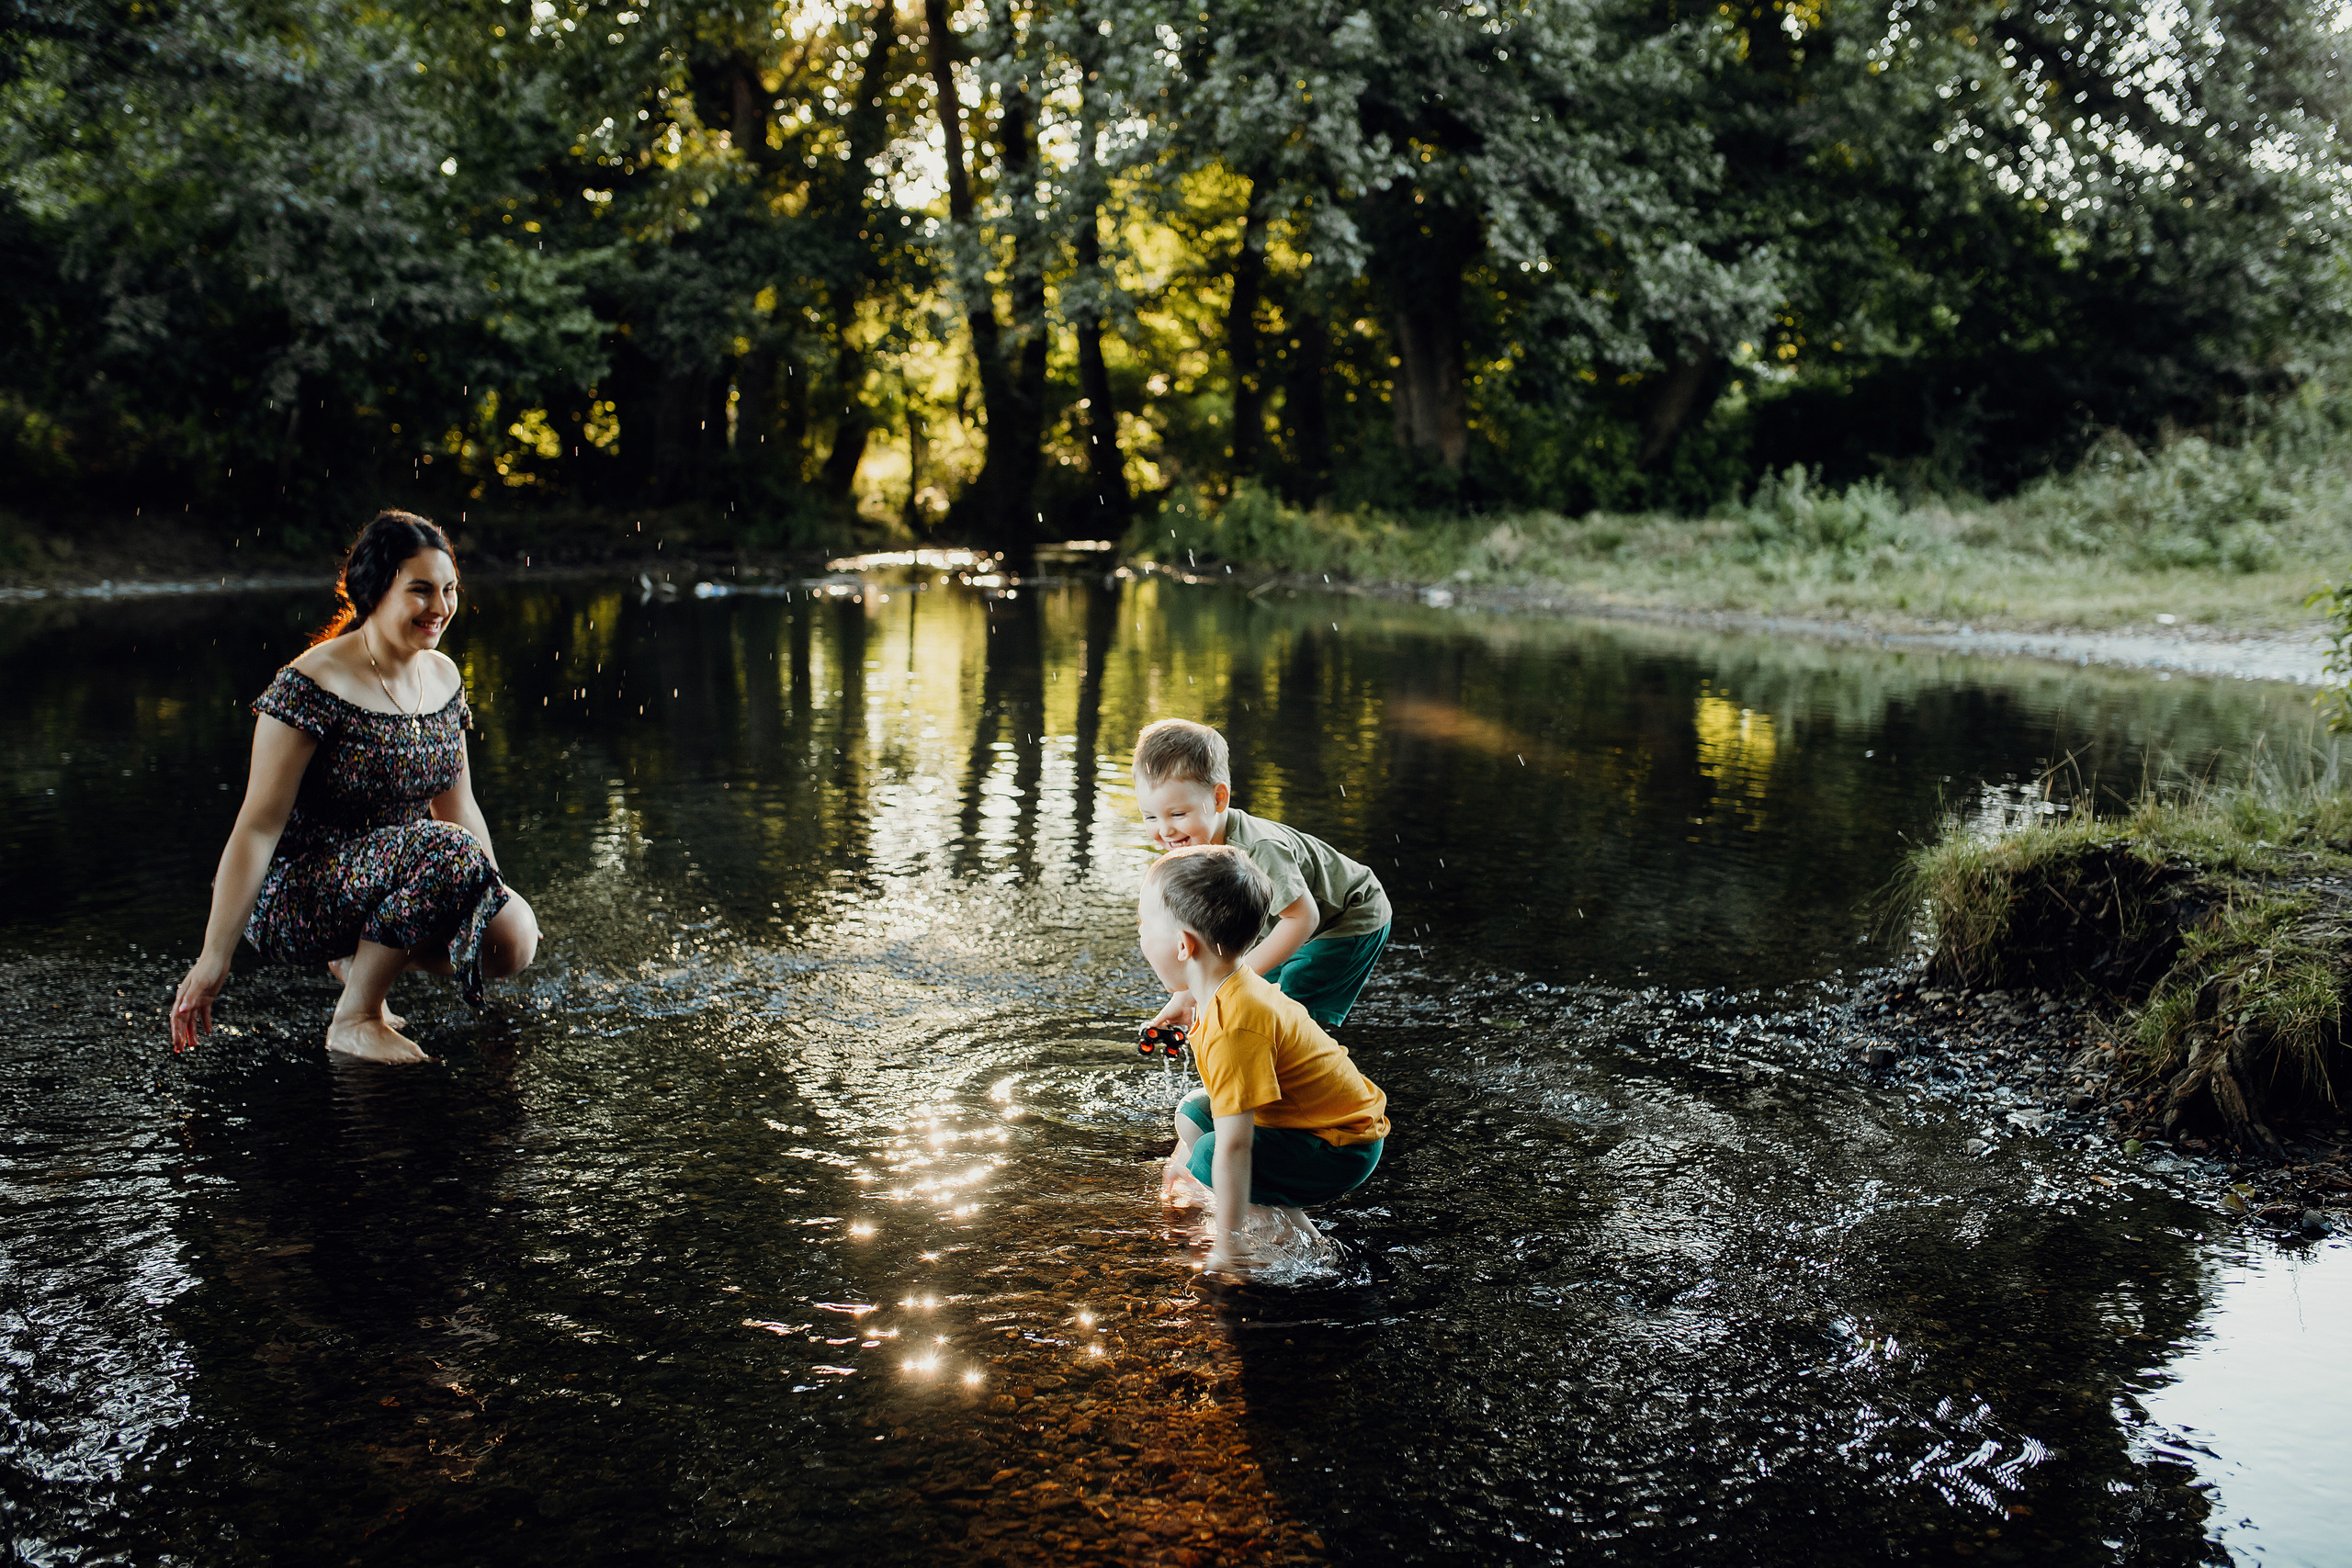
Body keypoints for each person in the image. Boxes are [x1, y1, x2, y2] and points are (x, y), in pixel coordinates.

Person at [170, 510, 540, 1064]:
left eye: (449, 590)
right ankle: (356, 1018)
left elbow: (458, 804)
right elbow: (257, 830)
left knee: (513, 936)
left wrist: (483, 895)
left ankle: (359, 960)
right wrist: (213, 957)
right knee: (449, 852)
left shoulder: (443, 677)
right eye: (420, 590)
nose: (439, 608)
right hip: (299, 896)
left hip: (404, 875)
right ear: (375, 591)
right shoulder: (310, 686)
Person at [1138, 845, 1390, 1277]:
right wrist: (1187, 1007)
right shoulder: (1230, 985)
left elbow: (1236, 1145)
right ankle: (1299, 1232)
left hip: (1340, 1146)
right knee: (1194, 1114)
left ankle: (1289, 1244)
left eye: (1143, 925)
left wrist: (1225, 1242)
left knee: (1211, 1152)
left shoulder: (1235, 1025)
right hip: (1318, 1127)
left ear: (1183, 946)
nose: (1140, 933)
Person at [1132, 717, 1390, 1035]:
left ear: (1219, 799)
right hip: (1286, 921)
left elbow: (1303, 919)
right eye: (1150, 817)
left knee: (1286, 1002)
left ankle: (1300, 1077)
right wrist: (1189, 998)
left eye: (1178, 814)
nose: (1165, 830)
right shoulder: (1192, 851)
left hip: (1346, 916)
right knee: (1246, 996)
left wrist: (1224, 980)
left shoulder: (1258, 849)